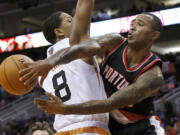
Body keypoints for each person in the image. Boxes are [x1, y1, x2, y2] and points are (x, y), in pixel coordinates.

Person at [20, 13, 165, 134]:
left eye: (140, 24)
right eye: (133, 23)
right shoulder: (115, 42)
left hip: (139, 127)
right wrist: (50, 62)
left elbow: (110, 103)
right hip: (109, 122)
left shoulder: (153, 76)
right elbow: (83, 48)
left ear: (154, 35)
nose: (133, 27)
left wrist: (66, 109)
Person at [20, 0, 110, 135]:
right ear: (59, 32)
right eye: (70, 20)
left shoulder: (41, 73)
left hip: (61, 130)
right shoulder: (76, 45)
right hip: (89, 128)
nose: (75, 21)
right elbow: (84, 6)